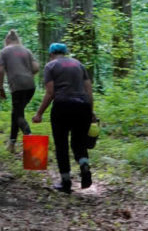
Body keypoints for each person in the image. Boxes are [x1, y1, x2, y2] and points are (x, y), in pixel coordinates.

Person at [32, 42, 94, 193]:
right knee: (79, 143)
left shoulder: (51, 66)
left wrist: (39, 113)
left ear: (51, 54)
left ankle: (66, 182)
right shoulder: (79, 65)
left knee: (61, 144)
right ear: (65, 52)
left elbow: (50, 93)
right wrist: (91, 112)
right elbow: (89, 91)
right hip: (83, 106)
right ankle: (84, 165)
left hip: (62, 106)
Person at [0, 29, 39, 152]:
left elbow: (0, 70)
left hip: (17, 86)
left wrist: (1, 88)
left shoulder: (4, 51)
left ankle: (29, 135)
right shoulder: (26, 51)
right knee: (16, 112)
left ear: (7, 40)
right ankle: (12, 144)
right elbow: (36, 68)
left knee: (18, 114)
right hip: (30, 86)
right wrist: (26, 73)